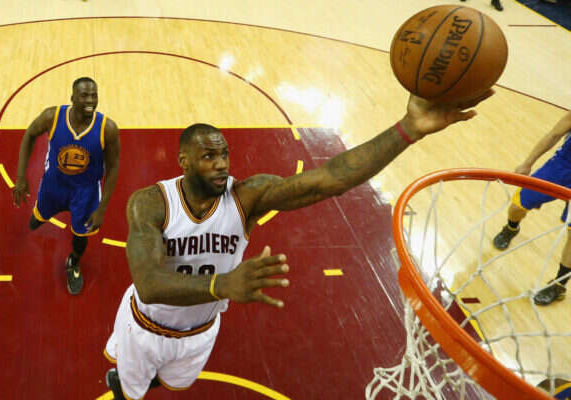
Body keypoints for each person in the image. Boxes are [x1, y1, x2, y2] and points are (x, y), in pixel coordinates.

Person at [103, 91, 494, 400]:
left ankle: (144, 377)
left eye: (224, 154)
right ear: (184, 161)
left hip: (200, 330)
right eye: (208, 156)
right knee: (130, 391)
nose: (221, 164)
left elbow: (331, 179)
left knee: (172, 383)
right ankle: (126, 381)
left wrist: (409, 128)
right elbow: (148, 283)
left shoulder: (247, 197)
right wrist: (222, 285)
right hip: (145, 326)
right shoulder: (151, 203)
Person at [12, 77, 120, 295]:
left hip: (86, 193)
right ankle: (40, 216)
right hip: (54, 185)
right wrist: (21, 176)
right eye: (84, 95)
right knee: (37, 219)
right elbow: (29, 135)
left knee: (81, 236)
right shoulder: (52, 117)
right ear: (72, 97)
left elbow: (113, 167)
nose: (90, 101)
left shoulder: (107, 128)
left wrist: (102, 208)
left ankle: (74, 262)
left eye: (94, 95)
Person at [492, 111, 571, 305]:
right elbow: (553, 135)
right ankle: (511, 228)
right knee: (518, 205)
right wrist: (527, 163)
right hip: (562, 166)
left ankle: (559, 284)